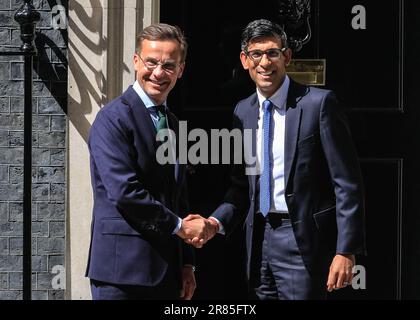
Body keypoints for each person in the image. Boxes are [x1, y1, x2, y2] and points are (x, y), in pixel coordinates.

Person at [191, 19, 366, 300]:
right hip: (257, 240)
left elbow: (347, 183)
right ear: (244, 60)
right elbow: (240, 186)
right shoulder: (242, 112)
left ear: (286, 56)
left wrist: (346, 250)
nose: (265, 62)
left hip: (302, 240)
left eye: (272, 52)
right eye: (256, 54)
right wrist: (214, 223)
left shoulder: (318, 104)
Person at [86, 23, 212, 300]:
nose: (158, 73)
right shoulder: (113, 119)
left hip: (168, 273)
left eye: (168, 65)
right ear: (135, 61)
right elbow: (124, 192)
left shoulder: (175, 125)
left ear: (180, 70)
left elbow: (179, 198)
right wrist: (181, 227)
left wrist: (188, 263)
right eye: (151, 62)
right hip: (121, 274)